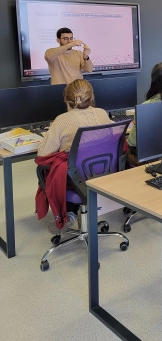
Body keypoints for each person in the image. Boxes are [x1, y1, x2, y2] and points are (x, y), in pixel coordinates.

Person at [36, 79, 111, 233]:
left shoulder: (62, 120)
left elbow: (43, 154)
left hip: (76, 177)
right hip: (103, 170)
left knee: (50, 169)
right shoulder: (102, 113)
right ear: (91, 97)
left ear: (66, 100)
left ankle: (68, 212)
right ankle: (72, 212)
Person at [126, 62, 162, 164]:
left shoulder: (144, 107)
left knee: (125, 149)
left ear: (154, 82)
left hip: (151, 156)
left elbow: (132, 142)